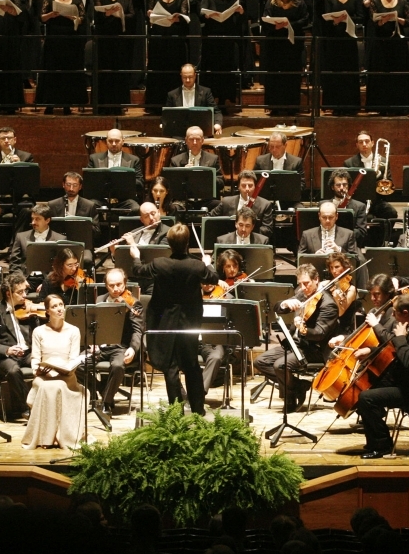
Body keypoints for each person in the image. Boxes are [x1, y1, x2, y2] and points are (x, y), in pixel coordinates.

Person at [127, 224, 217, 415]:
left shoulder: (160, 263)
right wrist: (207, 262)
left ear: (169, 243)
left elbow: (138, 271)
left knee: (170, 366)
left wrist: (135, 256)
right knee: (192, 365)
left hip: (164, 321)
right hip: (189, 322)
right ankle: (198, 410)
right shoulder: (196, 265)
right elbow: (214, 278)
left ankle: (176, 413)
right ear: (187, 243)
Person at [356, 293, 409, 459]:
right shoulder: (408, 327)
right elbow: (393, 349)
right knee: (363, 389)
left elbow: (408, 360)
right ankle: (374, 438)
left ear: (406, 312)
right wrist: (370, 351)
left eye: (395, 312)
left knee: (367, 398)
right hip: (401, 381)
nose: (392, 316)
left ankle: (382, 445)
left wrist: (401, 337)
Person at [254, 264, 339, 413]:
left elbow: (319, 333)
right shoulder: (301, 294)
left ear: (316, 280)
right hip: (294, 345)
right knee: (260, 362)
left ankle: (290, 397)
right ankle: (298, 386)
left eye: (306, 283)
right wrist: (285, 303)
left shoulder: (328, 304)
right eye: (300, 283)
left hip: (313, 349)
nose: (303, 287)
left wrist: (303, 330)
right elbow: (278, 308)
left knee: (280, 366)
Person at [21, 294, 86, 450]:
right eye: (54, 306)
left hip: (67, 376)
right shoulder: (39, 331)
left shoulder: (74, 330)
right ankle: (45, 436)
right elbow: (35, 359)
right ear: (47, 311)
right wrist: (43, 370)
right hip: (44, 376)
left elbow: (73, 359)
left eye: (61, 305)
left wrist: (64, 371)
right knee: (45, 387)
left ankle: (60, 436)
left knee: (58, 387)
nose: (59, 309)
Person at [0, 272, 39, 421]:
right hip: (4, 356)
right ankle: (25, 407)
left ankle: (44, 404)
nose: (25, 295)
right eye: (20, 292)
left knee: (43, 364)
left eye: (25, 291)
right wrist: (7, 350)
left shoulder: (26, 308)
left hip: (26, 352)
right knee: (14, 370)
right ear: (8, 293)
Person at [91, 268, 144, 416]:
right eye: (111, 285)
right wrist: (92, 342)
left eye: (119, 284)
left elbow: (137, 330)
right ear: (106, 285)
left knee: (118, 366)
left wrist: (133, 349)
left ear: (125, 283)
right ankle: (104, 389)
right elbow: (95, 325)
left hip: (120, 347)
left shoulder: (134, 303)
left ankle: (106, 403)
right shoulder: (100, 300)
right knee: (77, 364)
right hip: (101, 346)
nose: (116, 289)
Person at [316, 0, 364, 115]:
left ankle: (350, 106)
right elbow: (326, 17)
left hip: (349, 40)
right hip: (334, 41)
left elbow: (361, 17)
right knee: (335, 73)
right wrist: (335, 21)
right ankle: (335, 105)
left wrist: (346, 18)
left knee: (349, 73)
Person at [38, 0, 88, 115]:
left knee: (68, 73)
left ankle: (67, 104)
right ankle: (49, 104)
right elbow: (42, 17)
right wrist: (51, 15)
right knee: (52, 73)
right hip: (53, 41)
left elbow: (83, 18)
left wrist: (74, 18)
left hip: (71, 41)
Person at [260, 0, 310, 116]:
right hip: (275, 45)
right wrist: (275, 26)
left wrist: (289, 24)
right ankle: (274, 106)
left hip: (292, 46)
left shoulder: (299, 2)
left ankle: (292, 106)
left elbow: (305, 19)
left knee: (291, 76)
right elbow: (264, 19)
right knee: (275, 76)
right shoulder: (271, 2)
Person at [365, 0, 409, 116]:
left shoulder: (402, 1)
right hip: (381, 44)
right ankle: (382, 106)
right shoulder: (375, 1)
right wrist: (382, 21)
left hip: (397, 44)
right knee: (382, 75)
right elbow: (373, 21)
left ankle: (399, 106)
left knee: (397, 75)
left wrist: (397, 18)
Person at [200, 0, 247, 110]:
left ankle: (226, 98)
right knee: (212, 70)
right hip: (211, 40)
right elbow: (201, 14)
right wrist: (207, 16)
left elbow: (238, 23)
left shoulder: (233, 0)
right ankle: (211, 99)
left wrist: (241, 13)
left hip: (227, 40)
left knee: (227, 69)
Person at [92, 0, 134, 114]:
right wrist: (108, 13)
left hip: (120, 39)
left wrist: (119, 14)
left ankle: (119, 104)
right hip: (104, 39)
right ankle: (103, 104)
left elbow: (131, 15)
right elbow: (97, 16)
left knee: (119, 71)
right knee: (104, 71)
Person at [87, 128, 144, 210]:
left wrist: (122, 180)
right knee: (89, 206)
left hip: (124, 200)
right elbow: (89, 182)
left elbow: (140, 182)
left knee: (135, 208)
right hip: (101, 200)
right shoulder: (94, 158)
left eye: (117, 141)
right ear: (106, 141)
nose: (113, 144)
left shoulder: (134, 160)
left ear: (123, 141)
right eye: (110, 141)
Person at [164, 63, 223, 135]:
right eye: (185, 77)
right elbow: (167, 115)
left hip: (201, 133)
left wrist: (217, 124)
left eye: (190, 77)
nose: (188, 80)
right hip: (179, 135)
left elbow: (216, 112)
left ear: (195, 75)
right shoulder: (172, 94)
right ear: (181, 76)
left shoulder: (206, 92)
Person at [210, 171, 274, 235]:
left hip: (253, 242)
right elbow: (209, 219)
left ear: (255, 186)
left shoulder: (265, 205)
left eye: (250, 185)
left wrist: (248, 229)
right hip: (230, 242)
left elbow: (268, 229)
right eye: (243, 185)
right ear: (238, 187)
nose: (247, 189)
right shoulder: (226, 202)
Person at [169, 126, 225, 198]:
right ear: (186, 140)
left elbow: (221, 183)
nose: (194, 142)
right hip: (184, 200)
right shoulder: (176, 161)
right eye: (191, 139)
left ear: (202, 140)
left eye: (197, 139)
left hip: (207, 199)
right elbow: (170, 185)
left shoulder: (213, 159)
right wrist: (183, 173)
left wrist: (204, 175)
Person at [8, 205, 65, 275]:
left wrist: (47, 283)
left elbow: (60, 266)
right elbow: (14, 264)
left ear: (47, 220)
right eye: (32, 219)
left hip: (49, 280)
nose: (33, 222)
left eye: (37, 219)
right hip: (25, 280)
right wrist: (21, 281)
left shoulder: (60, 239)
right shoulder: (20, 237)